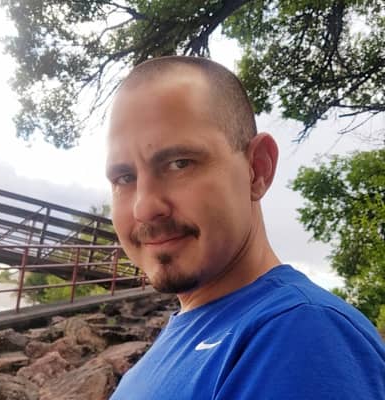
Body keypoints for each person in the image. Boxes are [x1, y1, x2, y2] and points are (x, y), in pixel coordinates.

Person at [106, 56, 385, 399]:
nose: (145, 208)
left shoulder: (300, 334)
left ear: (257, 169)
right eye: (124, 178)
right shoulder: (184, 337)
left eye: (180, 163)